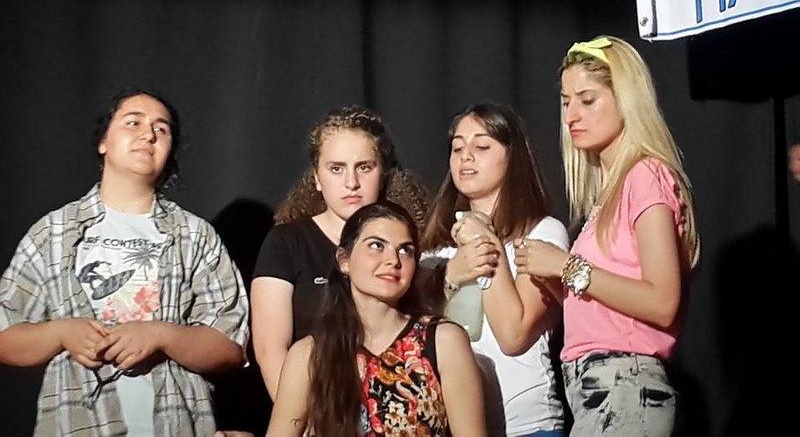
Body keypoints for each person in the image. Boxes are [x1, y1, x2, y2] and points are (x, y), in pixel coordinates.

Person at [0, 88, 250, 436]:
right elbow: (5, 334)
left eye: (161, 129)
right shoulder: (53, 232)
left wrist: (162, 335)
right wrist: (61, 333)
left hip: (176, 424)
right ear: (103, 141)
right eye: (133, 122)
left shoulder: (195, 236)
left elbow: (231, 346)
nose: (148, 134)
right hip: (76, 424)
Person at [514, 36, 700, 436]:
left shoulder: (646, 175)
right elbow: (608, 309)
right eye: (566, 102)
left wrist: (567, 266)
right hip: (596, 388)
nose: (571, 116)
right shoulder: (608, 193)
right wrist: (555, 280)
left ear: (626, 100)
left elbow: (662, 302)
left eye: (587, 100)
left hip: (625, 383)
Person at [250, 105, 430, 401]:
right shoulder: (287, 242)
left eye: (364, 167)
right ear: (317, 177)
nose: (351, 183)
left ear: (383, 173)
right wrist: (301, 417)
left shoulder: (407, 242)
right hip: (318, 407)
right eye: (336, 168)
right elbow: (270, 350)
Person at [266, 202, 486, 437]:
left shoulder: (443, 341)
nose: (393, 260)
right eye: (376, 245)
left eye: (405, 250)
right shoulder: (309, 354)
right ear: (344, 260)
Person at [420, 103, 568, 437]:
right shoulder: (434, 248)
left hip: (526, 426)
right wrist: (449, 276)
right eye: (457, 147)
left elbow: (513, 335)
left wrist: (488, 246)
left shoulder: (542, 233)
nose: (466, 157)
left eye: (482, 146)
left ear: (513, 156)